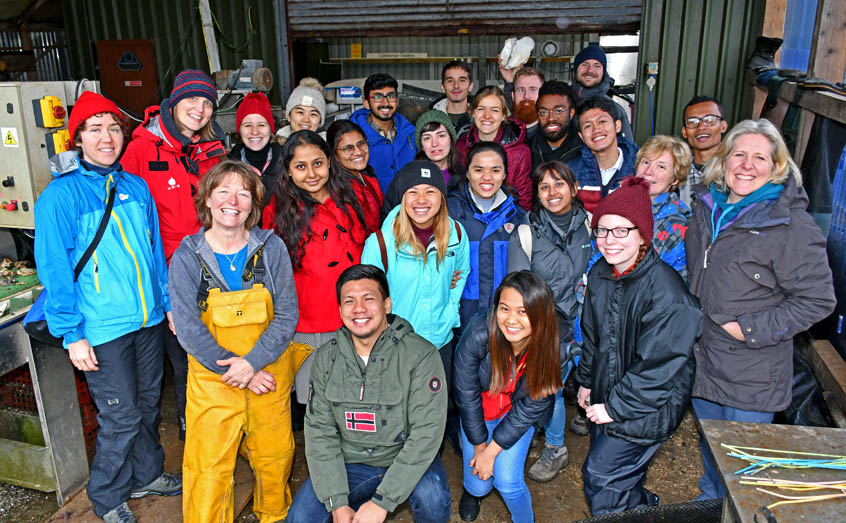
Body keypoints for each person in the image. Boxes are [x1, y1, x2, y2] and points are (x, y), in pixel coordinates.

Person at [34, 91, 179, 523]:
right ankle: (107, 495)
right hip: (101, 328)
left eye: (114, 127)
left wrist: (167, 303)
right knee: (121, 416)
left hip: (148, 319)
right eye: (95, 128)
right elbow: (55, 269)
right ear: (77, 137)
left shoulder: (135, 187)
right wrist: (72, 333)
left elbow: (154, 255)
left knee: (149, 405)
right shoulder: (61, 197)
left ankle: (146, 475)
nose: (107, 137)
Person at [685, 119, 836, 500]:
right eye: (739, 154)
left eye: (759, 157)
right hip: (704, 359)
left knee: (747, 470)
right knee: (712, 452)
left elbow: (819, 299)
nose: (747, 165)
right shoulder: (706, 207)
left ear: (777, 167)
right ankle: (709, 503)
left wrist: (750, 329)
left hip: (751, 370)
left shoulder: (789, 225)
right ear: (725, 160)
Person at [168, 161, 300, 523]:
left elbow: (287, 315)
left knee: (274, 459)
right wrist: (236, 368)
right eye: (223, 191)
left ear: (253, 205)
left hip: (266, 373)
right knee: (208, 469)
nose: (233, 200)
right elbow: (188, 327)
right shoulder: (187, 257)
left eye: (244, 193)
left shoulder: (272, 249)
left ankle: (273, 516)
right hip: (213, 381)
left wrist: (252, 364)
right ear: (207, 200)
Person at [287, 264, 451, 523]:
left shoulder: (421, 355)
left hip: (402, 453)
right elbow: (320, 431)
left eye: (369, 299)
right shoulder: (325, 358)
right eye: (349, 301)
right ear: (340, 310)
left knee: (434, 501)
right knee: (300, 518)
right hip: (350, 459)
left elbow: (426, 434)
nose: (359, 309)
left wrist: (382, 502)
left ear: (387, 305)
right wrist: (337, 502)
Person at [576, 176, 700, 516]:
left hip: (647, 406)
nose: (608, 240)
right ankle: (644, 508)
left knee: (601, 475)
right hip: (609, 393)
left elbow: (657, 369)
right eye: (602, 230)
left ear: (642, 233)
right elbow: (592, 335)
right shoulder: (603, 273)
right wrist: (586, 380)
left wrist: (613, 407)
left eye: (621, 231)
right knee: (618, 474)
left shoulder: (668, 294)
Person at [122, 68, 226, 439]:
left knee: (219, 349)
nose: (199, 109)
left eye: (207, 102)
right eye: (191, 99)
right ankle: (194, 433)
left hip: (216, 271)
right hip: (170, 276)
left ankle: (223, 428)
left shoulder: (212, 148)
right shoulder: (139, 150)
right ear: (173, 101)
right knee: (184, 359)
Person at [362, 160, 470, 453]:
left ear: (442, 197)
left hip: (439, 338)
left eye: (430, 191)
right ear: (402, 196)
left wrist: (449, 312)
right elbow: (367, 297)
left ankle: (431, 447)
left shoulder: (457, 235)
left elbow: (460, 274)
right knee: (402, 405)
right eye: (413, 192)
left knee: (438, 400)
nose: (422, 201)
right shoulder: (381, 244)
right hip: (398, 342)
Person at [264, 130, 369, 406]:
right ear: (287, 171)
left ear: (330, 162)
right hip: (306, 326)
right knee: (315, 402)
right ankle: (319, 451)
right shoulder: (277, 210)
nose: (311, 173)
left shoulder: (352, 197)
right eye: (300, 166)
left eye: (318, 163)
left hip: (355, 320)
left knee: (354, 398)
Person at [507, 161, 596, 482]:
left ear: (573, 189)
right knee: (550, 389)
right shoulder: (527, 232)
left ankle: (548, 438)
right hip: (545, 328)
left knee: (555, 389)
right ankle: (556, 446)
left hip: (582, 326)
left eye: (559, 184)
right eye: (544, 187)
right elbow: (518, 287)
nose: (552, 192)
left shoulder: (591, 226)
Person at [453, 271, 565, 523]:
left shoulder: (551, 347)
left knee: (508, 482)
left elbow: (530, 408)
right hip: (479, 413)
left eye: (523, 311)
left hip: (515, 416)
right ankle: (472, 492)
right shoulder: (478, 334)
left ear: (540, 313)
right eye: (505, 308)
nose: (511, 320)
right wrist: (481, 447)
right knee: (479, 484)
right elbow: (465, 394)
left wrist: (492, 452)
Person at [448, 142, 526, 330]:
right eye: (478, 169)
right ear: (467, 173)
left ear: (505, 174)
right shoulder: (449, 212)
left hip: (505, 320)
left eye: (495, 170)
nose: (487, 177)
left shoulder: (519, 217)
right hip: (460, 318)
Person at [456, 86, 532, 210]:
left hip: (508, 222)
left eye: (495, 110)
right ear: (473, 113)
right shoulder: (461, 146)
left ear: (503, 116)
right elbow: (457, 191)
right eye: (481, 109)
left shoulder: (520, 152)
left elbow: (524, 200)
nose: (487, 116)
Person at [382, 109, 464, 217]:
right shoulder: (404, 177)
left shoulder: (465, 176)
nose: (435, 143)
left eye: (441, 135)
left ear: (451, 139)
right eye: (427, 138)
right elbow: (389, 218)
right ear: (421, 145)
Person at [566, 97, 639, 213]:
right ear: (581, 136)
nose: (596, 129)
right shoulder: (570, 171)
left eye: (602, 122)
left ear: (618, 126)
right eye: (588, 126)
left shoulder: (640, 168)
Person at [634, 135, 692, 280]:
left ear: (675, 179)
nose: (648, 172)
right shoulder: (616, 206)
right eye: (645, 162)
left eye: (661, 166)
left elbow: (673, 286)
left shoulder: (677, 225)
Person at [350, 73, 417, 192]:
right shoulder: (353, 137)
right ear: (366, 103)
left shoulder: (411, 134)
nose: (385, 103)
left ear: (397, 101)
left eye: (391, 96)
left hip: (406, 207)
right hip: (369, 208)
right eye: (377, 97)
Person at [327, 119, 383, 233]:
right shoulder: (338, 191)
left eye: (361, 144)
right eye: (348, 148)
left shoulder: (367, 173)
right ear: (334, 155)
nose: (358, 152)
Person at [228, 92, 282, 205]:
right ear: (239, 130)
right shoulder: (229, 167)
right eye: (247, 125)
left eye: (261, 125)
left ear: (270, 129)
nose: (255, 131)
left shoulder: (287, 162)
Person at [572, 43, 633, 140]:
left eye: (597, 66)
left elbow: (628, 148)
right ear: (575, 70)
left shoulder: (615, 110)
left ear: (603, 72)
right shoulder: (564, 104)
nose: (590, 70)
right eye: (584, 65)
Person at [679, 95, 728, 206]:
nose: (701, 127)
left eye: (710, 120)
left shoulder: (735, 168)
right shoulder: (678, 170)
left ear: (723, 126)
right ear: (684, 132)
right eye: (693, 121)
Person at [529, 80, 583, 170]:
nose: (551, 118)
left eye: (558, 111)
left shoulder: (584, 149)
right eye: (543, 112)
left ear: (571, 113)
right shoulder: (528, 149)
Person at [276, 77, 327, 144]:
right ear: (289, 116)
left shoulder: (328, 149)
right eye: (300, 112)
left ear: (320, 121)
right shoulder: (275, 147)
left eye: (313, 114)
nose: (306, 120)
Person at [432, 60, 474, 133]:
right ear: (443, 87)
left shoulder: (480, 119)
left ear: (470, 86)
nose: (456, 85)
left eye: (462, 80)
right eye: (450, 81)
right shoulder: (431, 119)